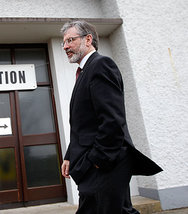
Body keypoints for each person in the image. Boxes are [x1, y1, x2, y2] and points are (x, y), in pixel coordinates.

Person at [60, 20, 162, 214]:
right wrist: (70, 155)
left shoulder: (101, 65)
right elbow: (85, 124)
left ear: (88, 39)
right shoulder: (84, 72)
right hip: (98, 163)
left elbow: (112, 120)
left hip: (104, 165)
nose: (65, 46)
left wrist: (97, 161)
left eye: (70, 40)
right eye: (63, 42)